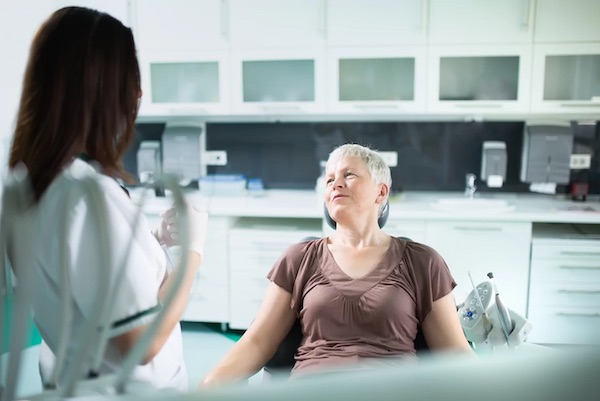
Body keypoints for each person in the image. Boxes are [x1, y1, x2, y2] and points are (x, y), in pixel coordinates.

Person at [2, 6, 207, 391]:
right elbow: (141, 343)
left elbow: (82, 279)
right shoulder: (86, 196)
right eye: (131, 76)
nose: (139, 93)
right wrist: (193, 252)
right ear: (103, 89)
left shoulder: (35, 183)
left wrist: (150, 242)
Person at [200, 143, 473, 387]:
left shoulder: (422, 262)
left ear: (381, 192)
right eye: (329, 179)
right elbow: (256, 342)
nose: (335, 184)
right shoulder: (299, 258)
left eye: (349, 175)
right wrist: (208, 386)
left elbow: (455, 353)